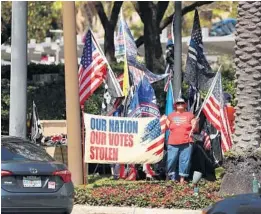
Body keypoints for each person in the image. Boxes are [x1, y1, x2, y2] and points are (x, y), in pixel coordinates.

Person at [166, 98, 198, 184]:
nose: (180, 104)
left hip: (186, 142)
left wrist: (195, 125)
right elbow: (165, 127)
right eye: (178, 103)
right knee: (171, 160)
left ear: (185, 105)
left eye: (182, 103)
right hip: (172, 142)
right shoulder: (170, 116)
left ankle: (182, 180)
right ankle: (171, 178)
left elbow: (195, 129)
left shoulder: (190, 115)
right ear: (175, 105)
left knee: (184, 161)